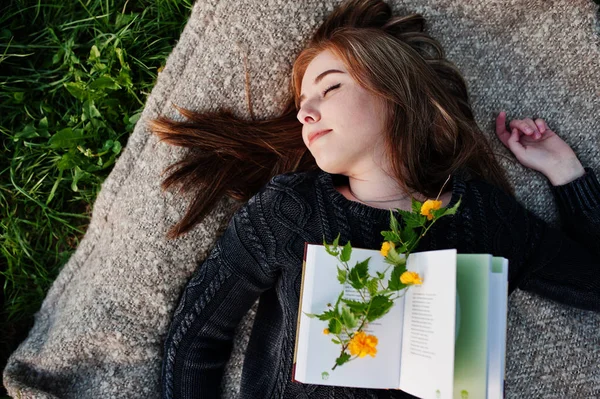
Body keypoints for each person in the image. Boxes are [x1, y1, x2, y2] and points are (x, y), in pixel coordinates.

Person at [151, 0, 600, 397]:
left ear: (396, 94)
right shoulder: (289, 210)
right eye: (302, 104)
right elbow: (195, 338)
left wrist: (566, 172)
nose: (306, 112)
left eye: (330, 88)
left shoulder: (484, 217)